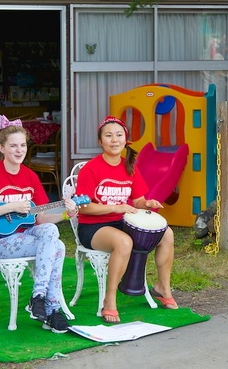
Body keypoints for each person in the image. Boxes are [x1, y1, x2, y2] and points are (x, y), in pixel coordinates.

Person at [0, 115, 78, 333]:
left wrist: (68, 213)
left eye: (23, 145)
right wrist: (9, 207)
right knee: (58, 247)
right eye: (13, 146)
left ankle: (39, 297)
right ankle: (52, 309)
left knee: (52, 232)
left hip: (29, 237)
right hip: (0, 241)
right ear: (1, 148)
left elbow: (42, 218)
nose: (19, 150)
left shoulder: (30, 176)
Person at [75, 116, 178, 323]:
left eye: (119, 135)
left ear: (126, 140)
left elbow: (138, 200)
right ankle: (110, 300)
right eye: (109, 135)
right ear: (100, 141)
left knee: (167, 233)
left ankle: (162, 287)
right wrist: (115, 207)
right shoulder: (91, 169)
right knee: (124, 241)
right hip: (93, 227)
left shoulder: (129, 166)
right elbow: (83, 206)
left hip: (121, 223)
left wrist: (147, 204)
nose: (114, 140)